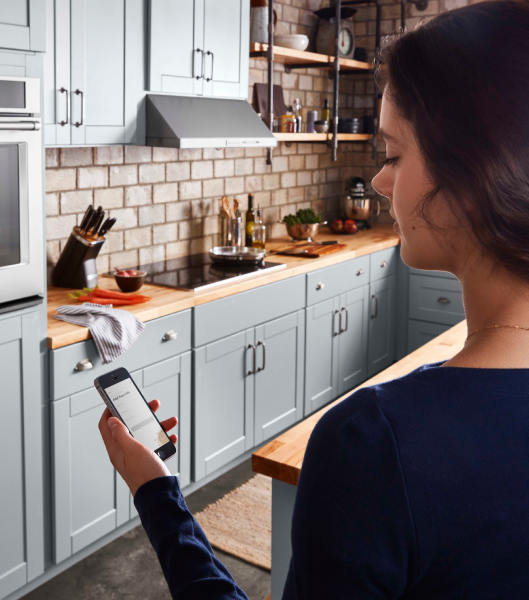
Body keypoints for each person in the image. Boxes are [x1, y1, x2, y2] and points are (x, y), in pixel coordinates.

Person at [98, 1, 529, 597]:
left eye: (395, 155)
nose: (378, 181)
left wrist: (157, 493)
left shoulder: (376, 446)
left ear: (475, 176)